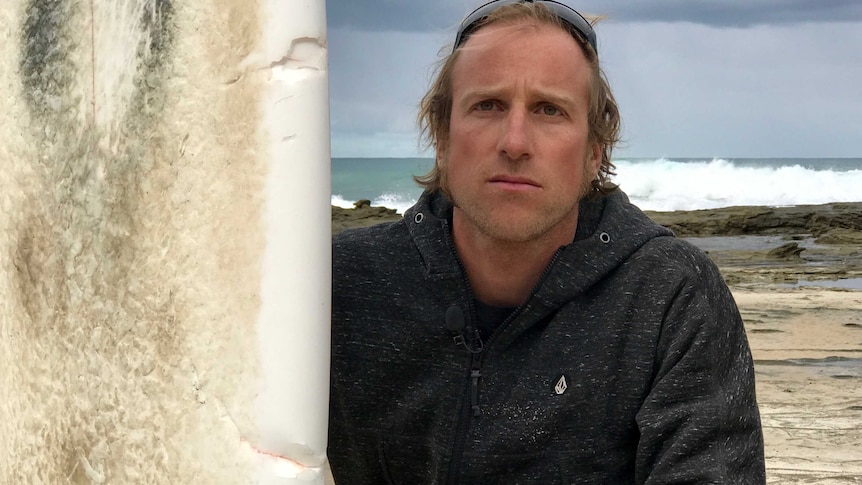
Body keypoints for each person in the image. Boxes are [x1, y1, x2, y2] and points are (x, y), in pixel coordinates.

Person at [329, 0, 766, 483]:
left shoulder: (669, 296)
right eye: (488, 105)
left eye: (549, 110)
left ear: (594, 151)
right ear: (443, 136)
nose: (515, 141)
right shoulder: (341, 286)